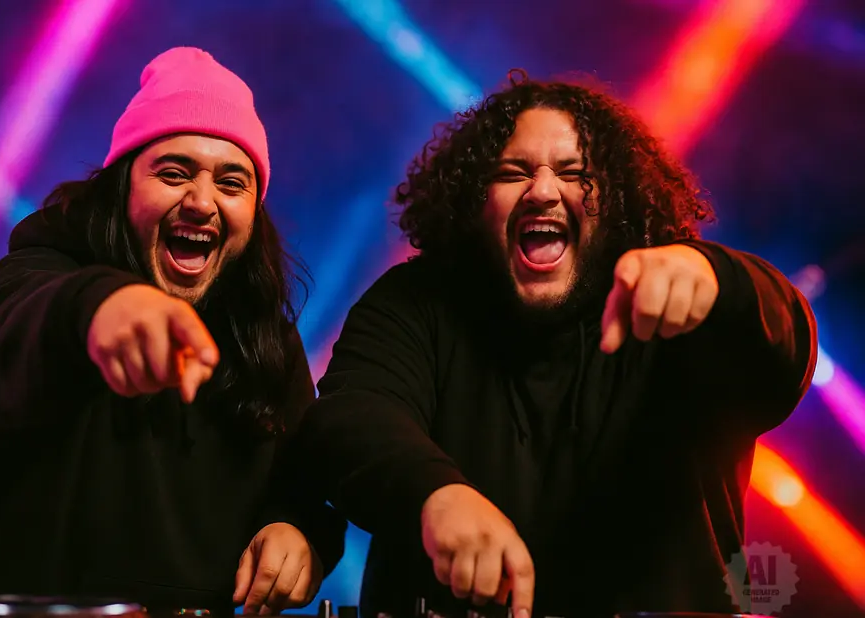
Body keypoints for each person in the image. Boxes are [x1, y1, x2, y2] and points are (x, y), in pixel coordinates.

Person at [291, 71, 817, 618]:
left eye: (575, 173)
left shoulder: (679, 306)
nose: (543, 191)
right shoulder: (414, 301)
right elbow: (351, 416)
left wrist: (716, 278)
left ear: (615, 202)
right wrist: (434, 494)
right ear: (474, 201)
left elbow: (786, 352)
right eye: (513, 172)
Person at [0, 47, 345, 618]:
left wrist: (302, 530)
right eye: (173, 173)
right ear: (122, 189)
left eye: (231, 182)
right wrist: (102, 309)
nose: (200, 201)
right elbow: (29, 323)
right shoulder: (32, 279)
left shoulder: (264, 338)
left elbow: (311, 480)